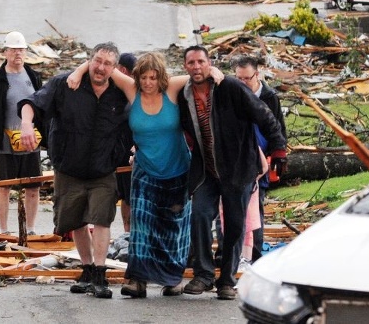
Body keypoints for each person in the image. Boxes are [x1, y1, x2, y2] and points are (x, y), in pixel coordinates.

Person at [66, 53, 222, 298]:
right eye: (144, 77)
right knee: (142, 226)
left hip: (178, 169)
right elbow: (101, 64)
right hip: (145, 170)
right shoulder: (132, 89)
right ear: (137, 77)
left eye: (153, 77)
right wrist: (78, 71)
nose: (148, 82)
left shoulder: (170, 88)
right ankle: (138, 280)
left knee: (174, 227)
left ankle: (172, 280)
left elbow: (197, 73)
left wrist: (213, 72)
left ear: (160, 77)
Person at [18, 42, 130, 299]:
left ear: (114, 69)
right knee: (76, 220)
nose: (100, 67)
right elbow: (33, 102)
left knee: (102, 219)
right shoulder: (65, 85)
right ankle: (87, 269)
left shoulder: (119, 93)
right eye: (97, 61)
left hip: (103, 169)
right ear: (90, 60)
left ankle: (100, 274)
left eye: (107, 64)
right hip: (69, 167)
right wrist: (26, 123)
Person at [177, 46, 287, 301]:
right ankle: (203, 275)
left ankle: (226, 280)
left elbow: (265, 116)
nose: (196, 67)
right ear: (185, 66)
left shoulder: (231, 88)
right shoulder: (184, 96)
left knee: (235, 225)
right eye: (191, 62)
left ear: (209, 63)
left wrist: (279, 149)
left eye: (201, 62)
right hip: (207, 170)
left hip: (238, 168)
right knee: (200, 215)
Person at [0, 31, 43, 235]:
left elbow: (43, 106)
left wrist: (48, 137)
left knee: (33, 187)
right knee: (4, 187)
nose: (18, 53)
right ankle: (4, 230)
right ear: (5, 52)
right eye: (14, 49)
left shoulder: (33, 77)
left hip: (31, 141)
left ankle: (31, 229)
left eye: (21, 49)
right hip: (4, 143)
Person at [233, 55, 288, 262]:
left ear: (257, 74)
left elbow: (278, 129)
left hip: (261, 161)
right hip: (237, 159)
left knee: (256, 209)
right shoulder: (232, 94)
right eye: (239, 79)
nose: (243, 83)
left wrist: (277, 155)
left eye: (247, 78)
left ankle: (254, 255)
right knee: (231, 208)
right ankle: (230, 254)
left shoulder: (269, 97)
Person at [115, 53, 137, 234]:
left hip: (131, 151)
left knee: (130, 197)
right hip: (119, 153)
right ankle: (127, 231)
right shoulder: (116, 90)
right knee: (126, 197)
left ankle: (130, 232)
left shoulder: (134, 92)